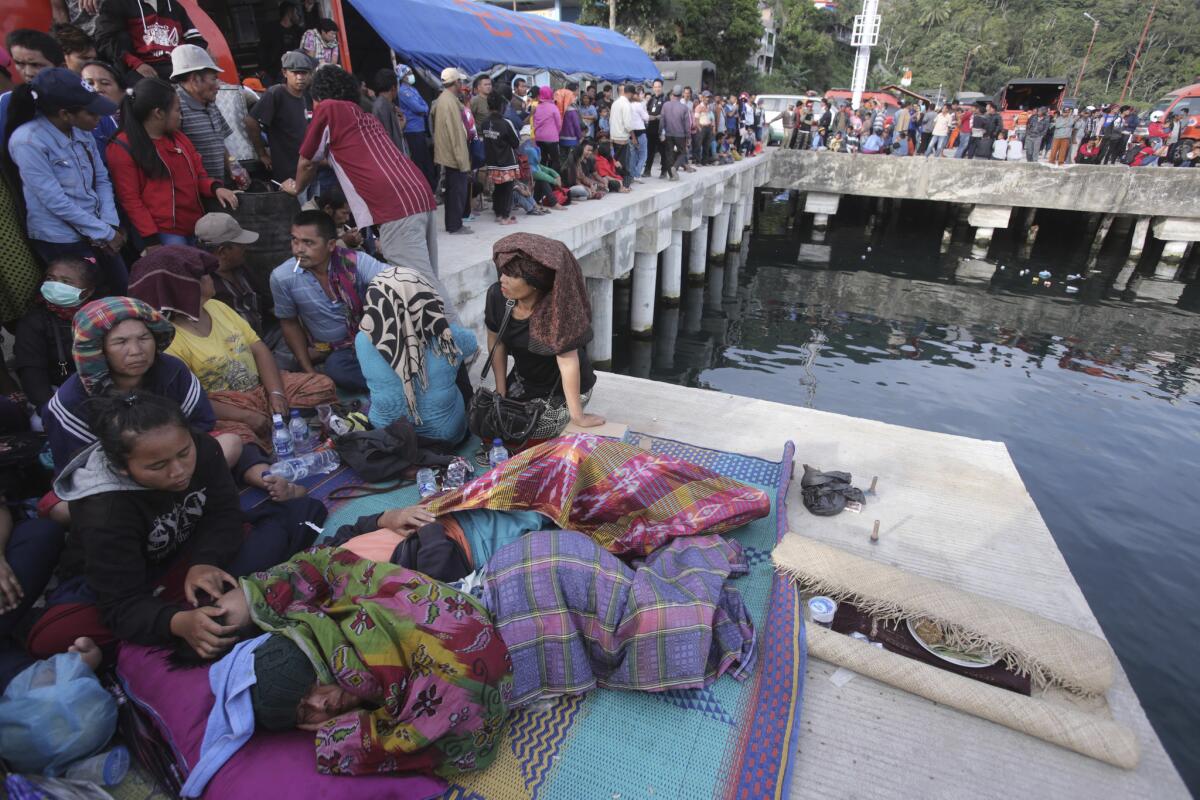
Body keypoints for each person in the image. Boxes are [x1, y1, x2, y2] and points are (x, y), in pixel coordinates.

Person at [27, 391, 321, 660]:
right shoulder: (104, 511)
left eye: (183, 453)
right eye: (157, 466)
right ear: (122, 468)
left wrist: (205, 562)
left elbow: (224, 514)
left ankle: (200, 611)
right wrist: (177, 623)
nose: (179, 471)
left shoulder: (202, 447)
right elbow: (119, 601)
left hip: (188, 555)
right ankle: (199, 614)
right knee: (53, 637)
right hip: (128, 581)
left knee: (302, 513)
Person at [128, 246, 334, 498]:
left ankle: (276, 428)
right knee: (235, 439)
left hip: (258, 390)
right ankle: (266, 476)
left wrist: (276, 393)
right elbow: (193, 402)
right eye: (203, 276)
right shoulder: (169, 340)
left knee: (321, 384)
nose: (211, 279)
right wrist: (246, 416)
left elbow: (258, 349)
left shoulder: (217, 307)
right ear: (183, 288)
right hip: (222, 408)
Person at [42, 297, 240, 524]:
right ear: (98, 349)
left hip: (176, 466)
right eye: (120, 342)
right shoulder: (69, 402)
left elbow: (201, 427)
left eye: (144, 338)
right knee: (60, 509)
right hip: (116, 480)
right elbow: (76, 468)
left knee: (230, 444)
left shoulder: (173, 371)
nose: (136, 350)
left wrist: (170, 464)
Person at [281, 66, 448, 315]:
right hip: (417, 194)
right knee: (427, 276)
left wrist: (296, 188)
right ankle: (452, 341)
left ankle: (455, 345)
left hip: (395, 205)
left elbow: (307, 161)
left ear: (318, 97)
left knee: (418, 286)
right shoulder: (363, 115)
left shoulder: (329, 109)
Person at [4, 67, 128, 294]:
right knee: (92, 298)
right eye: (91, 113)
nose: (98, 118)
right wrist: (105, 233)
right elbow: (55, 202)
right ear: (64, 114)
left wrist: (110, 224)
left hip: (99, 229)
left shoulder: (81, 130)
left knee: (122, 288)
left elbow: (101, 179)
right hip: (62, 239)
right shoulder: (28, 141)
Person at [485, 234, 604, 443]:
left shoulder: (558, 311)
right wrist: (501, 390)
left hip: (559, 387)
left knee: (528, 434)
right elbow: (497, 342)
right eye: (502, 271)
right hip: (525, 380)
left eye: (511, 275)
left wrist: (578, 417)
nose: (502, 279)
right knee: (493, 423)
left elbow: (568, 364)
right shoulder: (497, 295)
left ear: (535, 283)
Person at [107, 77, 238, 251]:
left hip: (195, 225)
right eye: (177, 110)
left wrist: (215, 188)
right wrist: (151, 240)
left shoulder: (179, 139)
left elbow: (199, 176)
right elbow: (131, 200)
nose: (181, 116)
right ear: (159, 113)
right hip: (163, 233)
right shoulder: (122, 147)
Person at [354, 267, 477, 444]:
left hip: (387, 437)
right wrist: (440, 324)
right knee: (453, 353)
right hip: (444, 437)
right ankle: (467, 410)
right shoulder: (449, 336)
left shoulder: (362, 339)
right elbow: (472, 343)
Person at [270, 210, 388, 393]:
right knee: (336, 368)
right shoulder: (282, 277)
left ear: (331, 244)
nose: (298, 249)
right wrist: (309, 372)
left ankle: (392, 379)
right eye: (295, 240)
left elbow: (397, 284)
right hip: (340, 352)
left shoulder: (356, 262)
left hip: (375, 338)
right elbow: (289, 323)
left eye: (308, 242)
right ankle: (394, 382)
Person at [14, 256, 96, 415]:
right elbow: (32, 372)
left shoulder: (102, 315)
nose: (56, 286)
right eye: (51, 279)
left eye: (66, 282)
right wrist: (50, 411)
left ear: (89, 291)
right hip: (58, 392)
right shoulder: (34, 322)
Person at [95, 0, 206, 85]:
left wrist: (194, 66)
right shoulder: (116, 4)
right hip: (141, 68)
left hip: (179, 68)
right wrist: (137, 64)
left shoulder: (175, 6)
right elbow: (105, 40)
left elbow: (196, 40)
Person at [244, 50, 314, 185]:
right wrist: (262, 153)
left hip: (309, 170)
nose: (300, 77)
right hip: (288, 173)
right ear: (284, 73)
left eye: (304, 73)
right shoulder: (276, 93)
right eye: (295, 72)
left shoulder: (308, 95)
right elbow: (251, 121)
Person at [194, 213, 268, 336]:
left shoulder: (242, 268)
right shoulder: (203, 285)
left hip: (263, 336)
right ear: (223, 251)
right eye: (240, 244)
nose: (246, 247)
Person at [169, 45, 233, 186]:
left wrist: (234, 168)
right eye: (214, 79)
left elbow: (221, 142)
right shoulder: (175, 107)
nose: (218, 85)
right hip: (197, 191)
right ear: (194, 79)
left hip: (219, 188)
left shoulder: (210, 102)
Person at [430, 67, 472, 235]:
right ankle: (455, 225)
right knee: (457, 192)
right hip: (454, 155)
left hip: (447, 153)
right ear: (456, 83)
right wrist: (463, 161)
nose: (462, 84)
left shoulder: (444, 99)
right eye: (460, 81)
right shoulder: (448, 103)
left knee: (453, 191)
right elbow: (456, 134)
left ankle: (454, 223)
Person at [481, 91, 520, 225]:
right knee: (507, 189)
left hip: (492, 162)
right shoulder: (506, 123)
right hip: (506, 162)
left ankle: (498, 214)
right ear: (502, 106)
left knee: (498, 188)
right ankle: (505, 217)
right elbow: (516, 142)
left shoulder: (485, 123)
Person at [394, 65, 433, 189]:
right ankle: (423, 187)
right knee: (419, 160)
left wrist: (423, 110)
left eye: (411, 72)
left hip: (420, 128)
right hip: (412, 130)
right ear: (402, 77)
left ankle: (430, 185)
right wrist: (423, 110)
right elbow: (418, 108)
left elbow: (425, 105)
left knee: (426, 159)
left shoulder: (413, 90)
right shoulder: (403, 92)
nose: (411, 75)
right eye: (408, 73)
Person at [79, 60, 123, 157]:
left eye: (105, 83)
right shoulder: (78, 124)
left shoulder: (139, 119)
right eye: (89, 84)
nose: (97, 88)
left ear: (122, 92)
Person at [367, 67, 408, 156]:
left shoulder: (385, 104)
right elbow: (387, 139)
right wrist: (400, 127)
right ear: (393, 88)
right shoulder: (382, 107)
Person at [661, 84, 690, 179]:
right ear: (681, 95)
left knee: (669, 153)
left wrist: (660, 132)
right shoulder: (684, 108)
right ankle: (675, 167)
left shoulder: (665, 105)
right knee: (682, 152)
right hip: (680, 134)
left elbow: (662, 121)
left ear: (672, 93)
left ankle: (671, 175)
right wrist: (688, 137)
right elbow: (687, 125)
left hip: (668, 133)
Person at [609, 84, 635, 187]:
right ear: (630, 93)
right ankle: (625, 184)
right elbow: (628, 124)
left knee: (616, 162)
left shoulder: (615, 103)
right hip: (623, 138)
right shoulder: (626, 104)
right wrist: (633, 136)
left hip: (614, 137)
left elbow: (611, 120)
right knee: (625, 164)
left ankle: (617, 183)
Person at [532, 85, 562, 173]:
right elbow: (559, 124)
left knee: (543, 159)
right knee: (555, 160)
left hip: (539, 138)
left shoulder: (537, 107)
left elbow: (534, 121)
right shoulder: (553, 107)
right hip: (551, 138)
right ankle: (553, 181)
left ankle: (542, 180)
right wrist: (557, 133)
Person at [643, 79, 664, 176]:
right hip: (650, 129)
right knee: (650, 151)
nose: (657, 89)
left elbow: (665, 114)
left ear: (662, 87)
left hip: (660, 129)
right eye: (655, 87)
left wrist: (655, 117)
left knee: (663, 151)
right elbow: (646, 111)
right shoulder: (651, 99)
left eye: (659, 86)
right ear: (653, 88)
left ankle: (664, 171)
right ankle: (647, 171)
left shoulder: (665, 99)